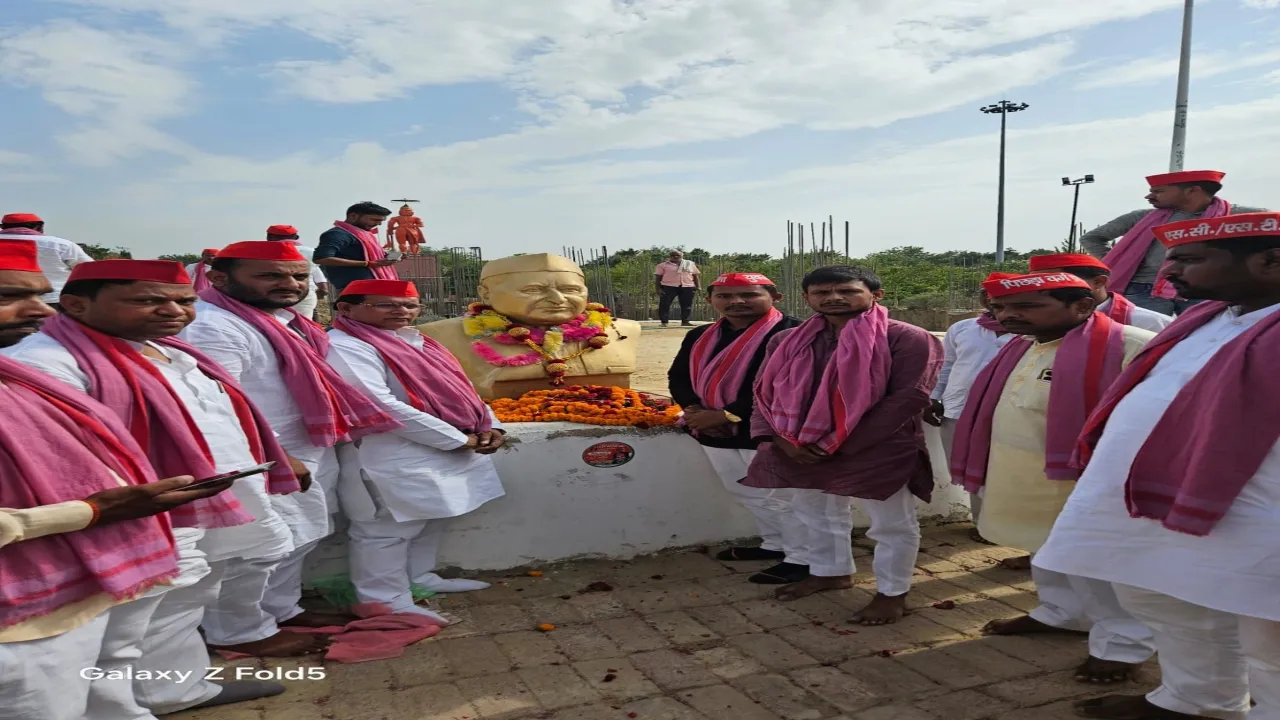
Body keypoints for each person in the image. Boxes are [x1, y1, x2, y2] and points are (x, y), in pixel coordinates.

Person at [6, 259, 316, 711]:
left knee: (186, 598)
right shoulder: (45, 361)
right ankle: (124, 705)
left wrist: (273, 458)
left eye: (183, 300)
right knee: (122, 628)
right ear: (76, 303)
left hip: (211, 498)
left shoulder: (172, 349)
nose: (172, 310)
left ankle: (179, 690)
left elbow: (222, 417)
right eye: (148, 300)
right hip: (133, 508)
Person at [1035, 212, 1280, 720]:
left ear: (1270, 261)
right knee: (1162, 599)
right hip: (1153, 498)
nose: (1168, 273)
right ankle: (1197, 701)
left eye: (1189, 259)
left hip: (1256, 507)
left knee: (1269, 631)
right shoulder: (1207, 316)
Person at [0, 239, 235, 720]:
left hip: (79, 569)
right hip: (22, 604)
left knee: (110, 664)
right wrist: (95, 511)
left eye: (39, 296)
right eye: (7, 296)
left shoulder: (15, 373)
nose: (36, 312)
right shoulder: (45, 363)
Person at [181, 241, 402, 650]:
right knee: (254, 548)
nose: (289, 284)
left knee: (304, 532)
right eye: (269, 275)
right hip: (258, 454)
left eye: (298, 276)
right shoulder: (213, 325)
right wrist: (274, 456)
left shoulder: (285, 319)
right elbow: (214, 403)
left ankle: (282, 610)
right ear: (218, 278)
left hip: (306, 443)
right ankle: (238, 632)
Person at [948, 272, 1156, 684]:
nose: (1008, 315)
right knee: (1043, 550)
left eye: (1026, 307)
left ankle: (1122, 644)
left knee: (1092, 560)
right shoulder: (1019, 347)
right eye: (1001, 307)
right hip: (1019, 470)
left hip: (1086, 477)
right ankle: (1062, 613)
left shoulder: (1128, 346)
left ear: (1082, 306)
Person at [743, 265, 942, 625]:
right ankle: (829, 571)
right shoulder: (784, 340)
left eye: (846, 290)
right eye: (822, 292)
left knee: (891, 524)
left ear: (875, 295)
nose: (833, 298)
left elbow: (910, 398)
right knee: (815, 512)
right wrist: (777, 439)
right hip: (798, 445)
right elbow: (763, 393)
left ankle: (893, 593)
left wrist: (841, 444)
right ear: (807, 298)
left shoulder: (908, 338)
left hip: (878, 446)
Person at [327, 279, 505, 620]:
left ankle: (418, 578)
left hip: (440, 447)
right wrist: (458, 439)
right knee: (386, 529)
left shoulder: (418, 341)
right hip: (389, 450)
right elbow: (378, 404)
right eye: (386, 304)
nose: (402, 311)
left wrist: (490, 425)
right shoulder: (345, 345)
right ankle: (383, 601)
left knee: (432, 518)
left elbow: (463, 389)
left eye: (410, 305)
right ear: (346, 308)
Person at [667, 273, 804, 580]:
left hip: (771, 429)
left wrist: (726, 415)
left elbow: (788, 385)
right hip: (712, 429)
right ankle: (775, 544)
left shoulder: (794, 332)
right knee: (745, 491)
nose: (736, 302)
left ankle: (803, 559)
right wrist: (695, 412)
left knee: (781, 496)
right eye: (725, 296)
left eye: (748, 295)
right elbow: (678, 376)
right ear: (710, 300)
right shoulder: (700, 335)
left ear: (775, 297)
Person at [1080, 170, 1266, 315]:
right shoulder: (1142, 217)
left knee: (1202, 342)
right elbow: (1091, 238)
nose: (1149, 196)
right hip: (1143, 290)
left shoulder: (1240, 216)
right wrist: (1117, 263)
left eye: (1159, 191)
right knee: (1146, 342)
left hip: (1206, 289)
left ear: (1193, 190)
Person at [923, 273, 1016, 541]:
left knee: (1007, 469)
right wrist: (934, 396)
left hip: (1009, 411)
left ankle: (1008, 527)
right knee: (970, 470)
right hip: (957, 409)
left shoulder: (1032, 332)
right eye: (988, 294)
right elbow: (947, 364)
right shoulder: (963, 328)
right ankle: (983, 524)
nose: (992, 300)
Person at [1028, 253, 1172, 333]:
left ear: (1099, 282)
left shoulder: (1148, 323)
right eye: (1037, 284)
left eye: (1054, 282)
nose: (1043, 290)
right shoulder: (1032, 319)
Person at [0, 211, 93, 305]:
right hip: (53, 300)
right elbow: (89, 269)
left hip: (4, 302)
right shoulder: (60, 244)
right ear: (39, 227)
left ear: (3, 227)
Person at [313, 202, 401, 298]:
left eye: (381, 221)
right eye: (374, 220)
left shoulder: (366, 235)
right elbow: (322, 258)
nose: (378, 224)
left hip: (375, 287)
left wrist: (389, 258)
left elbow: (369, 258)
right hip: (355, 290)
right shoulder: (337, 234)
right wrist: (367, 264)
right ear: (353, 216)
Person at [267, 225, 329, 320]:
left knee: (277, 323)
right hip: (305, 293)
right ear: (296, 237)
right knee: (304, 323)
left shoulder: (266, 252)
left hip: (273, 293)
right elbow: (315, 270)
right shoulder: (311, 252)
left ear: (269, 237)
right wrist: (322, 286)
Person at [655, 250, 700, 326]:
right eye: (673, 255)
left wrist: (698, 286)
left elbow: (695, 275)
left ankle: (685, 321)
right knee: (664, 304)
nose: (675, 257)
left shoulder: (690, 264)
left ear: (682, 256)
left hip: (687, 286)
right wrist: (658, 288)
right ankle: (664, 322)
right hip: (668, 286)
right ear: (670, 256)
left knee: (687, 305)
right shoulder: (662, 265)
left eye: (677, 255)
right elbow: (658, 277)